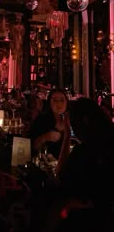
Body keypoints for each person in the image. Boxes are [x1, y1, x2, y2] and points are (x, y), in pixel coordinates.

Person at [42, 98, 114, 232]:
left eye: (74, 124)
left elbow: (61, 176)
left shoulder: (86, 151)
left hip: (94, 219)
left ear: (84, 121)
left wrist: (67, 135)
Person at [30, 89, 69, 160]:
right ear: (49, 103)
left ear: (67, 103)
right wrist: (45, 137)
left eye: (62, 100)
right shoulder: (41, 120)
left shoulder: (72, 121)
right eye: (55, 100)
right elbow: (32, 147)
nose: (59, 104)